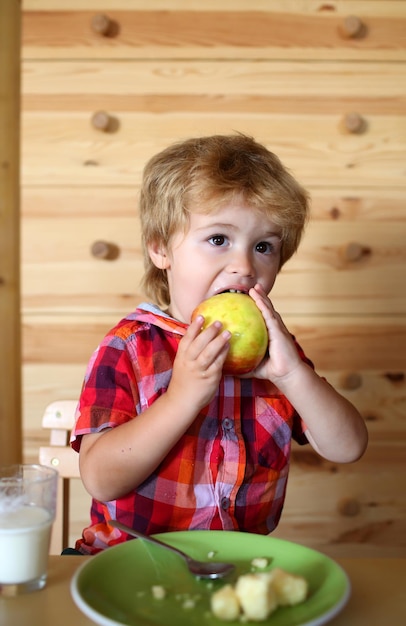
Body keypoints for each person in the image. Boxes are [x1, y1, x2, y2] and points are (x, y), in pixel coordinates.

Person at [70, 133, 368, 555]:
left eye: (264, 246)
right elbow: (101, 479)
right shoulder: (130, 348)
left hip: (234, 566)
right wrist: (182, 398)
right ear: (160, 249)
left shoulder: (274, 354)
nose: (245, 267)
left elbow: (348, 447)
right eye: (218, 239)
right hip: (127, 561)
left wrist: (292, 374)